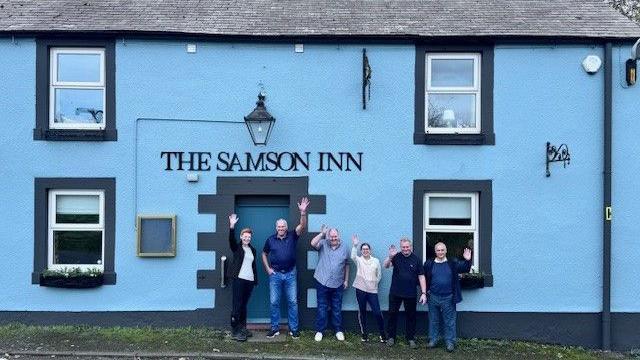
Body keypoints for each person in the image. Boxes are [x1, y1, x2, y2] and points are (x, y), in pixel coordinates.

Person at [261, 197, 310, 339]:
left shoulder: (292, 236)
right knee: (274, 302)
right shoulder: (270, 240)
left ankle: (294, 329)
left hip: (290, 274)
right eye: (279, 226)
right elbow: (264, 253)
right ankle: (274, 328)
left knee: (293, 302)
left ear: (286, 227)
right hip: (275, 275)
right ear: (276, 228)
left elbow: (302, 226)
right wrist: (268, 269)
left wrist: (303, 212)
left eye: (283, 226)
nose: (281, 228)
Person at [424, 242, 472, 352]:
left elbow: (465, 268)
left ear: (446, 251)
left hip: (448, 297)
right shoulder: (429, 264)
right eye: (438, 250)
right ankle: (433, 340)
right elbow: (423, 277)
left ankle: (450, 342)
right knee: (433, 320)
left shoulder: (452, 263)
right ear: (435, 251)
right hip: (433, 296)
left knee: (449, 321)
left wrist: (468, 260)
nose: (440, 252)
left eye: (442, 250)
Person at [383, 238, 427, 349]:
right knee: (392, 315)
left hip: (410, 293)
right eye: (403, 247)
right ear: (401, 247)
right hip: (395, 292)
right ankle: (391, 337)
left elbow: (421, 276)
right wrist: (390, 257)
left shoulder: (416, 259)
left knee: (411, 316)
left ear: (411, 247)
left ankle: (410, 338)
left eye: (407, 247)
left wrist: (423, 293)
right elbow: (386, 266)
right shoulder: (396, 256)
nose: (405, 249)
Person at [310, 225, 350, 342]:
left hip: (338, 283)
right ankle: (320, 331)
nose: (333, 238)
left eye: (335, 236)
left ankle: (338, 330)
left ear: (339, 236)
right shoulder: (323, 243)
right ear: (328, 236)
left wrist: (346, 280)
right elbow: (312, 243)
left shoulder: (345, 247)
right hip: (322, 281)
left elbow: (347, 264)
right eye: (331, 236)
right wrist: (322, 233)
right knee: (322, 307)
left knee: (336, 307)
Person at [227, 213, 258, 342]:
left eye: (249, 237)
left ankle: (242, 328)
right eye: (245, 237)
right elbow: (231, 241)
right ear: (241, 237)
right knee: (237, 304)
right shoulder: (237, 248)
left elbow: (253, 266)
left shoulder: (253, 250)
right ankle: (235, 331)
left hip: (249, 281)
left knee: (244, 305)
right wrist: (232, 226)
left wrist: (255, 280)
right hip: (239, 279)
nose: (247, 239)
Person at [350, 234, 386, 343]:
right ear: (361, 251)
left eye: (367, 249)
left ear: (370, 250)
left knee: (377, 312)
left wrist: (373, 284)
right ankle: (364, 334)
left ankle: (382, 334)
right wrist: (355, 245)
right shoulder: (359, 260)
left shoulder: (376, 261)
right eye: (363, 249)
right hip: (360, 289)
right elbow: (352, 256)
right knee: (362, 311)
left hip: (372, 291)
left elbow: (379, 275)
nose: (365, 251)